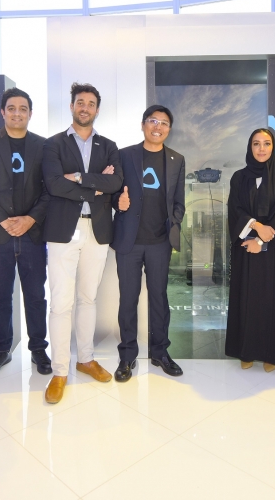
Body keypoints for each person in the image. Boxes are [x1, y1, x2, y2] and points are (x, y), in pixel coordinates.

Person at [41, 83, 123, 404]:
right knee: (61, 302)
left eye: (90, 103)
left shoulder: (109, 146)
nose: (85, 107)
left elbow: (115, 182)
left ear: (97, 110)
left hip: (97, 230)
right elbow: (53, 185)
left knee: (88, 298)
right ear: (72, 106)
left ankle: (85, 359)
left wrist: (77, 177)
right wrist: (95, 186)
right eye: (80, 102)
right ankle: (60, 371)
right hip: (64, 229)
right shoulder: (53, 144)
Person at [0, 88, 52, 378]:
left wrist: (30, 219)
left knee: (36, 295)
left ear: (30, 113)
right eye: (12, 108)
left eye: (23, 108)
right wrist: (3, 221)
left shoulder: (43, 146)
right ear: (2, 112)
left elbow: (50, 188)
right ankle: (1, 350)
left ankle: (38, 348)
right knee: (0, 296)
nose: (18, 113)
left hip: (32, 234)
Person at [111, 105, 186, 382]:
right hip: (129, 242)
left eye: (164, 123)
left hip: (159, 242)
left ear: (169, 129)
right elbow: (112, 192)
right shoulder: (124, 155)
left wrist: (173, 222)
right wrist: (117, 202)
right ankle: (127, 356)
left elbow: (179, 202)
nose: (158, 126)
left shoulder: (177, 159)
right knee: (128, 300)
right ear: (143, 124)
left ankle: (160, 352)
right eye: (153, 121)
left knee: (159, 298)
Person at [224, 128, 275, 372]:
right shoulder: (238, 178)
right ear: (250, 147)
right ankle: (246, 351)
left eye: (266, 143)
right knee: (245, 300)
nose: (261, 148)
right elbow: (235, 209)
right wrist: (255, 226)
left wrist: (262, 242)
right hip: (245, 248)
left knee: (270, 301)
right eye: (256, 143)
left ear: (273, 147)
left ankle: (270, 353)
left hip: (271, 251)